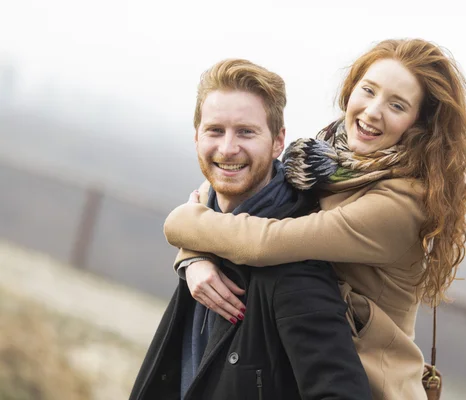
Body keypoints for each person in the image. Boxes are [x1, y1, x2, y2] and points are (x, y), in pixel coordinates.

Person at [164, 38, 466, 399]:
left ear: (419, 124)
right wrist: (193, 257)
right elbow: (235, 201)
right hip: (299, 373)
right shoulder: (331, 166)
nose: (373, 111)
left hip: (364, 386)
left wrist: (182, 225)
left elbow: (265, 242)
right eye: (369, 90)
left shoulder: (401, 204)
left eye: (397, 105)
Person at [129, 59, 371, 400]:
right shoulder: (203, 228)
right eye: (215, 130)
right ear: (196, 136)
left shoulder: (295, 269)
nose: (228, 148)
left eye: (246, 132)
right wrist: (192, 256)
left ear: (277, 141)